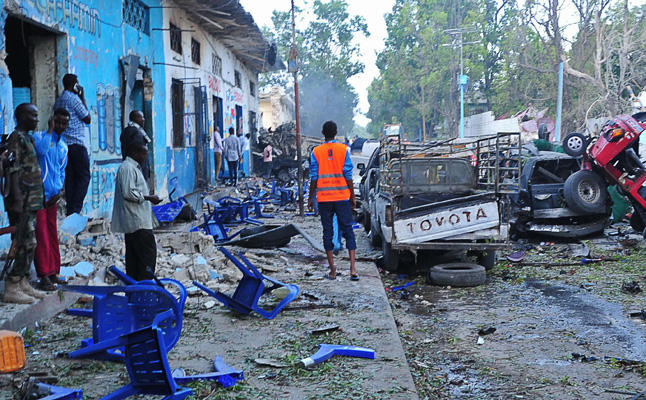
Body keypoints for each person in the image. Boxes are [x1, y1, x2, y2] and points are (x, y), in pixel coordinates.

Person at [2, 103, 47, 303]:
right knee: (25, 242)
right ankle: (12, 284)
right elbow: (12, 170)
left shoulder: (27, 137)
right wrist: (17, 200)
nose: (37, 119)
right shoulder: (16, 138)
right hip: (22, 200)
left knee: (29, 243)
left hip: (32, 200)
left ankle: (22, 282)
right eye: (33, 115)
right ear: (21, 116)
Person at [307, 120, 358, 281]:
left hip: (324, 199)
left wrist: (310, 198)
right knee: (348, 230)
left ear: (323, 133)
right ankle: (353, 270)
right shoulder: (344, 150)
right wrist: (352, 195)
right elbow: (348, 175)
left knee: (327, 233)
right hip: (342, 197)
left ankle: (333, 270)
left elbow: (314, 177)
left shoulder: (316, 152)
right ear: (336, 133)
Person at [111, 140, 162, 281]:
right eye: (144, 153)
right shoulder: (127, 168)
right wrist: (148, 197)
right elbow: (128, 193)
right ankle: (144, 288)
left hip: (136, 221)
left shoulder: (133, 168)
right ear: (135, 153)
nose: (146, 156)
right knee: (147, 257)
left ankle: (136, 290)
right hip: (137, 221)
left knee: (135, 260)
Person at [33, 108, 70, 291]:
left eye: (64, 123)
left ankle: (54, 270)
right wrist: (49, 131)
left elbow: (61, 171)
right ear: (52, 120)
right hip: (38, 196)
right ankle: (44, 275)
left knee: (52, 234)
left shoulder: (63, 145)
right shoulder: (40, 137)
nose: (61, 126)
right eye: (58, 122)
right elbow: (40, 152)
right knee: (41, 236)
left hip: (53, 198)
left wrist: (59, 191)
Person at [53, 73, 91, 215]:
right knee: (84, 177)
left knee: (70, 179)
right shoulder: (75, 99)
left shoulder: (59, 100)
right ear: (75, 84)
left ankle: (70, 209)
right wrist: (82, 96)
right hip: (77, 144)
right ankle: (75, 210)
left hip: (64, 145)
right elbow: (87, 118)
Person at [120, 110, 151, 178]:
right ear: (135, 119)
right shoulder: (136, 132)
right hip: (137, 169)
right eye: (141, 117)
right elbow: (138, 153)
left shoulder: (126, 131)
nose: (143, 119)